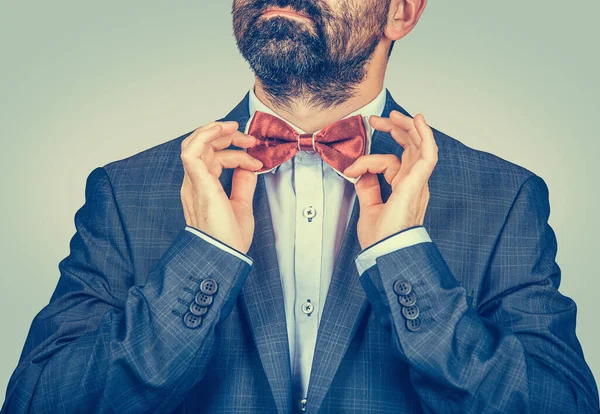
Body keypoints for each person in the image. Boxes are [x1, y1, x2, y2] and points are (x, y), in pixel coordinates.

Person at [2, 0, 599, 412]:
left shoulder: (503, 198)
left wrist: (403, 259)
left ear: (403, 11)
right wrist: (202, 260)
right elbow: (37, 402)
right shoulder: (124, 191)